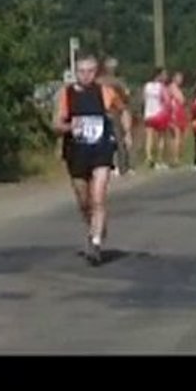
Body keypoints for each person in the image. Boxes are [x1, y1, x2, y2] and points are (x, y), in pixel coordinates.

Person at [53, 54, 131, 267]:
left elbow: (123, 110)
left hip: (100, 150)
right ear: (75, 72)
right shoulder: (66, 95)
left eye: (90, 71)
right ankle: (94, 227)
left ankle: (96, 242)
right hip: (77, 152)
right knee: (84, 200)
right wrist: (70, 127)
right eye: (81, 71)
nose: (86, 75)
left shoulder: (105, 92)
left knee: (98, 198)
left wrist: (125, 133)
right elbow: (57, 124)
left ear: (96, 73)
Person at [98, 57, 133, 176]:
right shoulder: (118, 82)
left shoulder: (98, 81)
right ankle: (120, 165)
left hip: (102, 112)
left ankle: (110, 165)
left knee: (105, 139)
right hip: (114, 111)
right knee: (118, 138)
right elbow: (127, 95)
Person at [142, 68, 170, 169]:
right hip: (159, 114)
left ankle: (149, 157)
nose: (166, 77)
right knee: (161, 137)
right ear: (159, 76)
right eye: (164, 75)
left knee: (149, 137)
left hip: (148, 114)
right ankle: (159, 159)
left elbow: (144, 99)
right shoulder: (162, 87)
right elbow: (167, 101)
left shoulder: (147, 86)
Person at [167, 71, 188, 167]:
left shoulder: (174, 88)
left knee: (176, 137)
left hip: (177, 112)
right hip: (175, 113)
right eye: (179, 78)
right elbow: (181, 99)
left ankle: (176, 158)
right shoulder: (172, 87)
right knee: (176, 136)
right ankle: (175, 159)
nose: (181, 80)